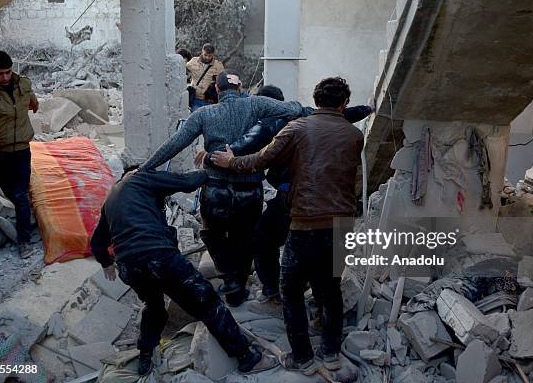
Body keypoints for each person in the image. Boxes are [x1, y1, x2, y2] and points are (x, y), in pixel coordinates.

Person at [211, 77, 364, 375]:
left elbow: (260, 159)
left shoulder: (296, 128)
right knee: (330, 288)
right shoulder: (353, 135)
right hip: (342, 223)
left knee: (290, 289)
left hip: (306, 221)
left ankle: (303, 358)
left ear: (315, 100)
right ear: (344, 103)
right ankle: (331, 353)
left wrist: (231, 162)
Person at [140, 72, 308, 307]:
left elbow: (175, 144)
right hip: (249, 189)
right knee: (245, 238)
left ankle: (230, 281)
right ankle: (238, 287)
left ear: (217, 91)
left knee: (212, 234)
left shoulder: (204, 113)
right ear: (239, 89)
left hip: (215, 189)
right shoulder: (256, 104)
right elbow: (293, 110)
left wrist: (144, 168)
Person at [90, 168, 276, 376]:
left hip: (129, 266)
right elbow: (187, 181)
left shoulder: (112, 199)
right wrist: (211, 169)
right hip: (158, 255)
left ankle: (145, 360)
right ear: (134, 172)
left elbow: (97, 243)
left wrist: (106, 263)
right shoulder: (142, 177)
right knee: (207, 301)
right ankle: (247, 358)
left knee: (154, 307)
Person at [203, 84, 371, 304]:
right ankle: (323, 309)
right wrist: (369, 108)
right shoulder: (320, 119)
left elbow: (254, 155)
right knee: (329, 268)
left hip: (295, 199)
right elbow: (347, 113)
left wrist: (214, 157)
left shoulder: (271, 123)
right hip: (338, 205)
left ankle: (274, 292)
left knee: (263, 239)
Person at [0, 50, 39, 258]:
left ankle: (24, 241)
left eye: (8, 72)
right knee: (10, 192)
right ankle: (27, 216)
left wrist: (34, 103)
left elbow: (30, 98)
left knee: (20, 194)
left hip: (21, 149)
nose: (5, 77)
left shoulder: (24, 83)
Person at [186, 43, 224, 111]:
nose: (207, 57)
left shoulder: (218, 65)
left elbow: (223, 81)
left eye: (210, 56)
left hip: (209, 100)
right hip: (195, 99)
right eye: (205, 55)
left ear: (213, 54)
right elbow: (183, 69)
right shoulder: (193, 61)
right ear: (202, 52)